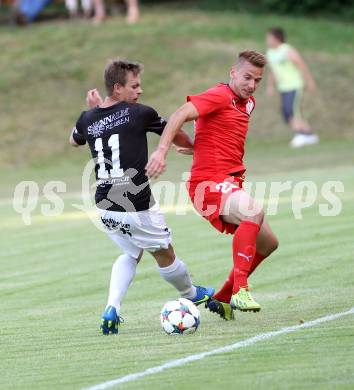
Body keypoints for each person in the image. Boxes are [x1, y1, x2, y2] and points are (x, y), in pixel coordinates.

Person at [69, 59, 214, 335]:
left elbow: (74, 140)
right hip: (136, 204)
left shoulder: (87, 118)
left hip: (105, 204)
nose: (140, 91)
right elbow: (176, 133)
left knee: (131, 252)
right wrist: (194, 148)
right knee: (165, 254)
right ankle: (191, 293)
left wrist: (94, 111)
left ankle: (112, 307)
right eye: (134, 86)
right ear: (118, 88)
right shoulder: (139, 113)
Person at [146, 50, 279, 321]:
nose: (251, 85)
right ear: (233, 72)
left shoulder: (248, 103)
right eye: (247, 77)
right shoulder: (219, 95)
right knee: (253, 212)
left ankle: (222, 298)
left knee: (269, 243)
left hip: (229, 183)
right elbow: (181, 113)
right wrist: (161, 151)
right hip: (208, 184)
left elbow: (220, 133)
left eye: (257, 80)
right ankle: (241, 290)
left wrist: (200, 146)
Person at [266, 27, 319, 148]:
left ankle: (300, 135)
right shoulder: (270, 53)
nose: (268, 40)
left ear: (276, 38)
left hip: (294, 85)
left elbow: (301, 64)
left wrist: (309, 81)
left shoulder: (287, 50)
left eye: (269, 38)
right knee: (286, 113)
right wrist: (270, 86)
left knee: (291, 111)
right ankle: (309, 135)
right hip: (283, 87)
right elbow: (272, 71)